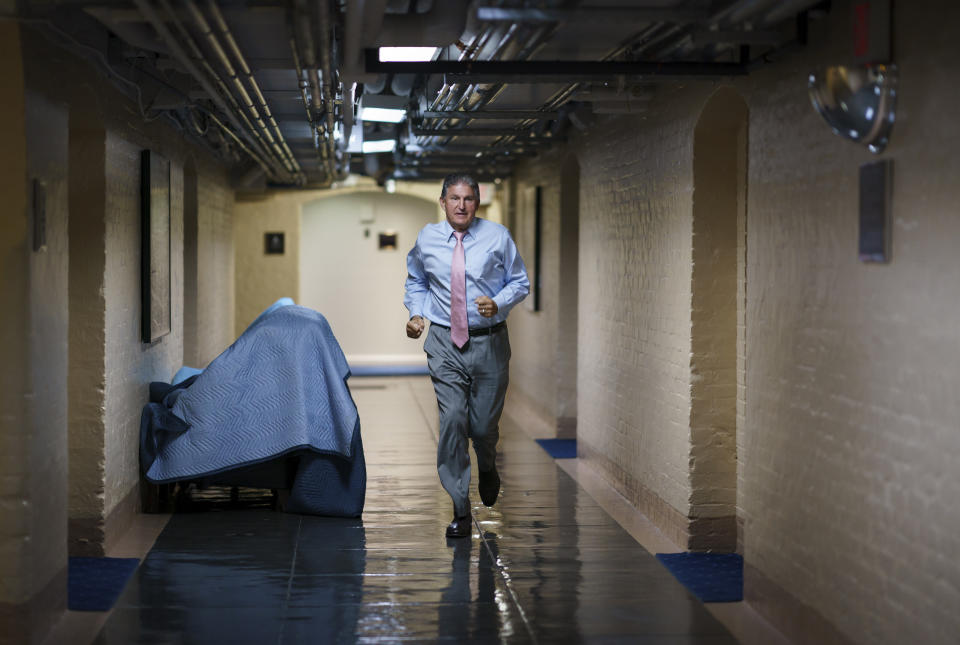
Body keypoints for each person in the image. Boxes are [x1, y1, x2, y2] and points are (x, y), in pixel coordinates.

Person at [404, 172, 529, 538]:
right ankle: (460, 507)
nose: (461, 206)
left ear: (477, 202)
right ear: (443, 201)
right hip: (444, 340)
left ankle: (487, 464)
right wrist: (416, 313)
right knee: (454, 420)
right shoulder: (427, 239)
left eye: (469, 199)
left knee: (482, 428)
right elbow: (417, 280)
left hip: (489, 341)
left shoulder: (497, 237)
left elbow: (519, 281)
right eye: (454, 198)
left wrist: (499, 302)